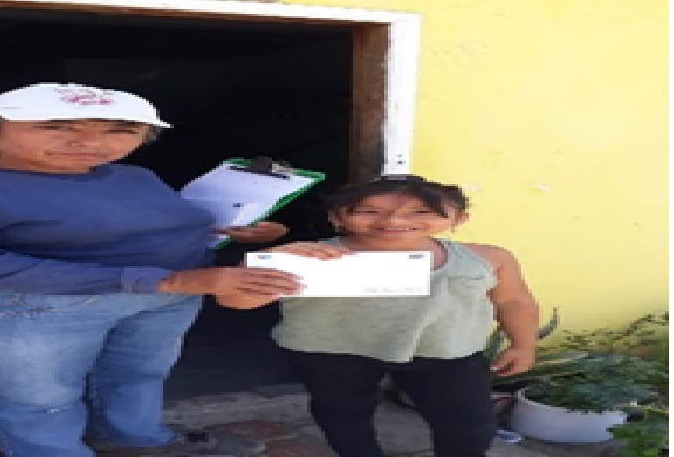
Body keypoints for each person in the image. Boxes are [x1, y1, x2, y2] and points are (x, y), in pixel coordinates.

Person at [0, 82, 303, 457]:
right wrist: (168, 279)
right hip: (27, 308)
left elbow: (152, 226)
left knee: (136, 377)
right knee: (37, 402)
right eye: (56, 126)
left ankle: (135, 441)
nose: (92, 143)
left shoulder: (132, 177)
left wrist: (229, 232)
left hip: (163, 296)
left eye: (121, 130)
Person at [215, 175, 541, 457]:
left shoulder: (487, 258)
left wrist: (523, 345)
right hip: (330, 351)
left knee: (468, 422)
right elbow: (236, 301)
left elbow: (514, 301)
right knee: (343, 413)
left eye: (421, 212)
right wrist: (263, 262)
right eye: (369, 211)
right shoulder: (307, 257)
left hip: (445, 352)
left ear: (460, 218)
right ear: (336, 217)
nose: (394, 220)